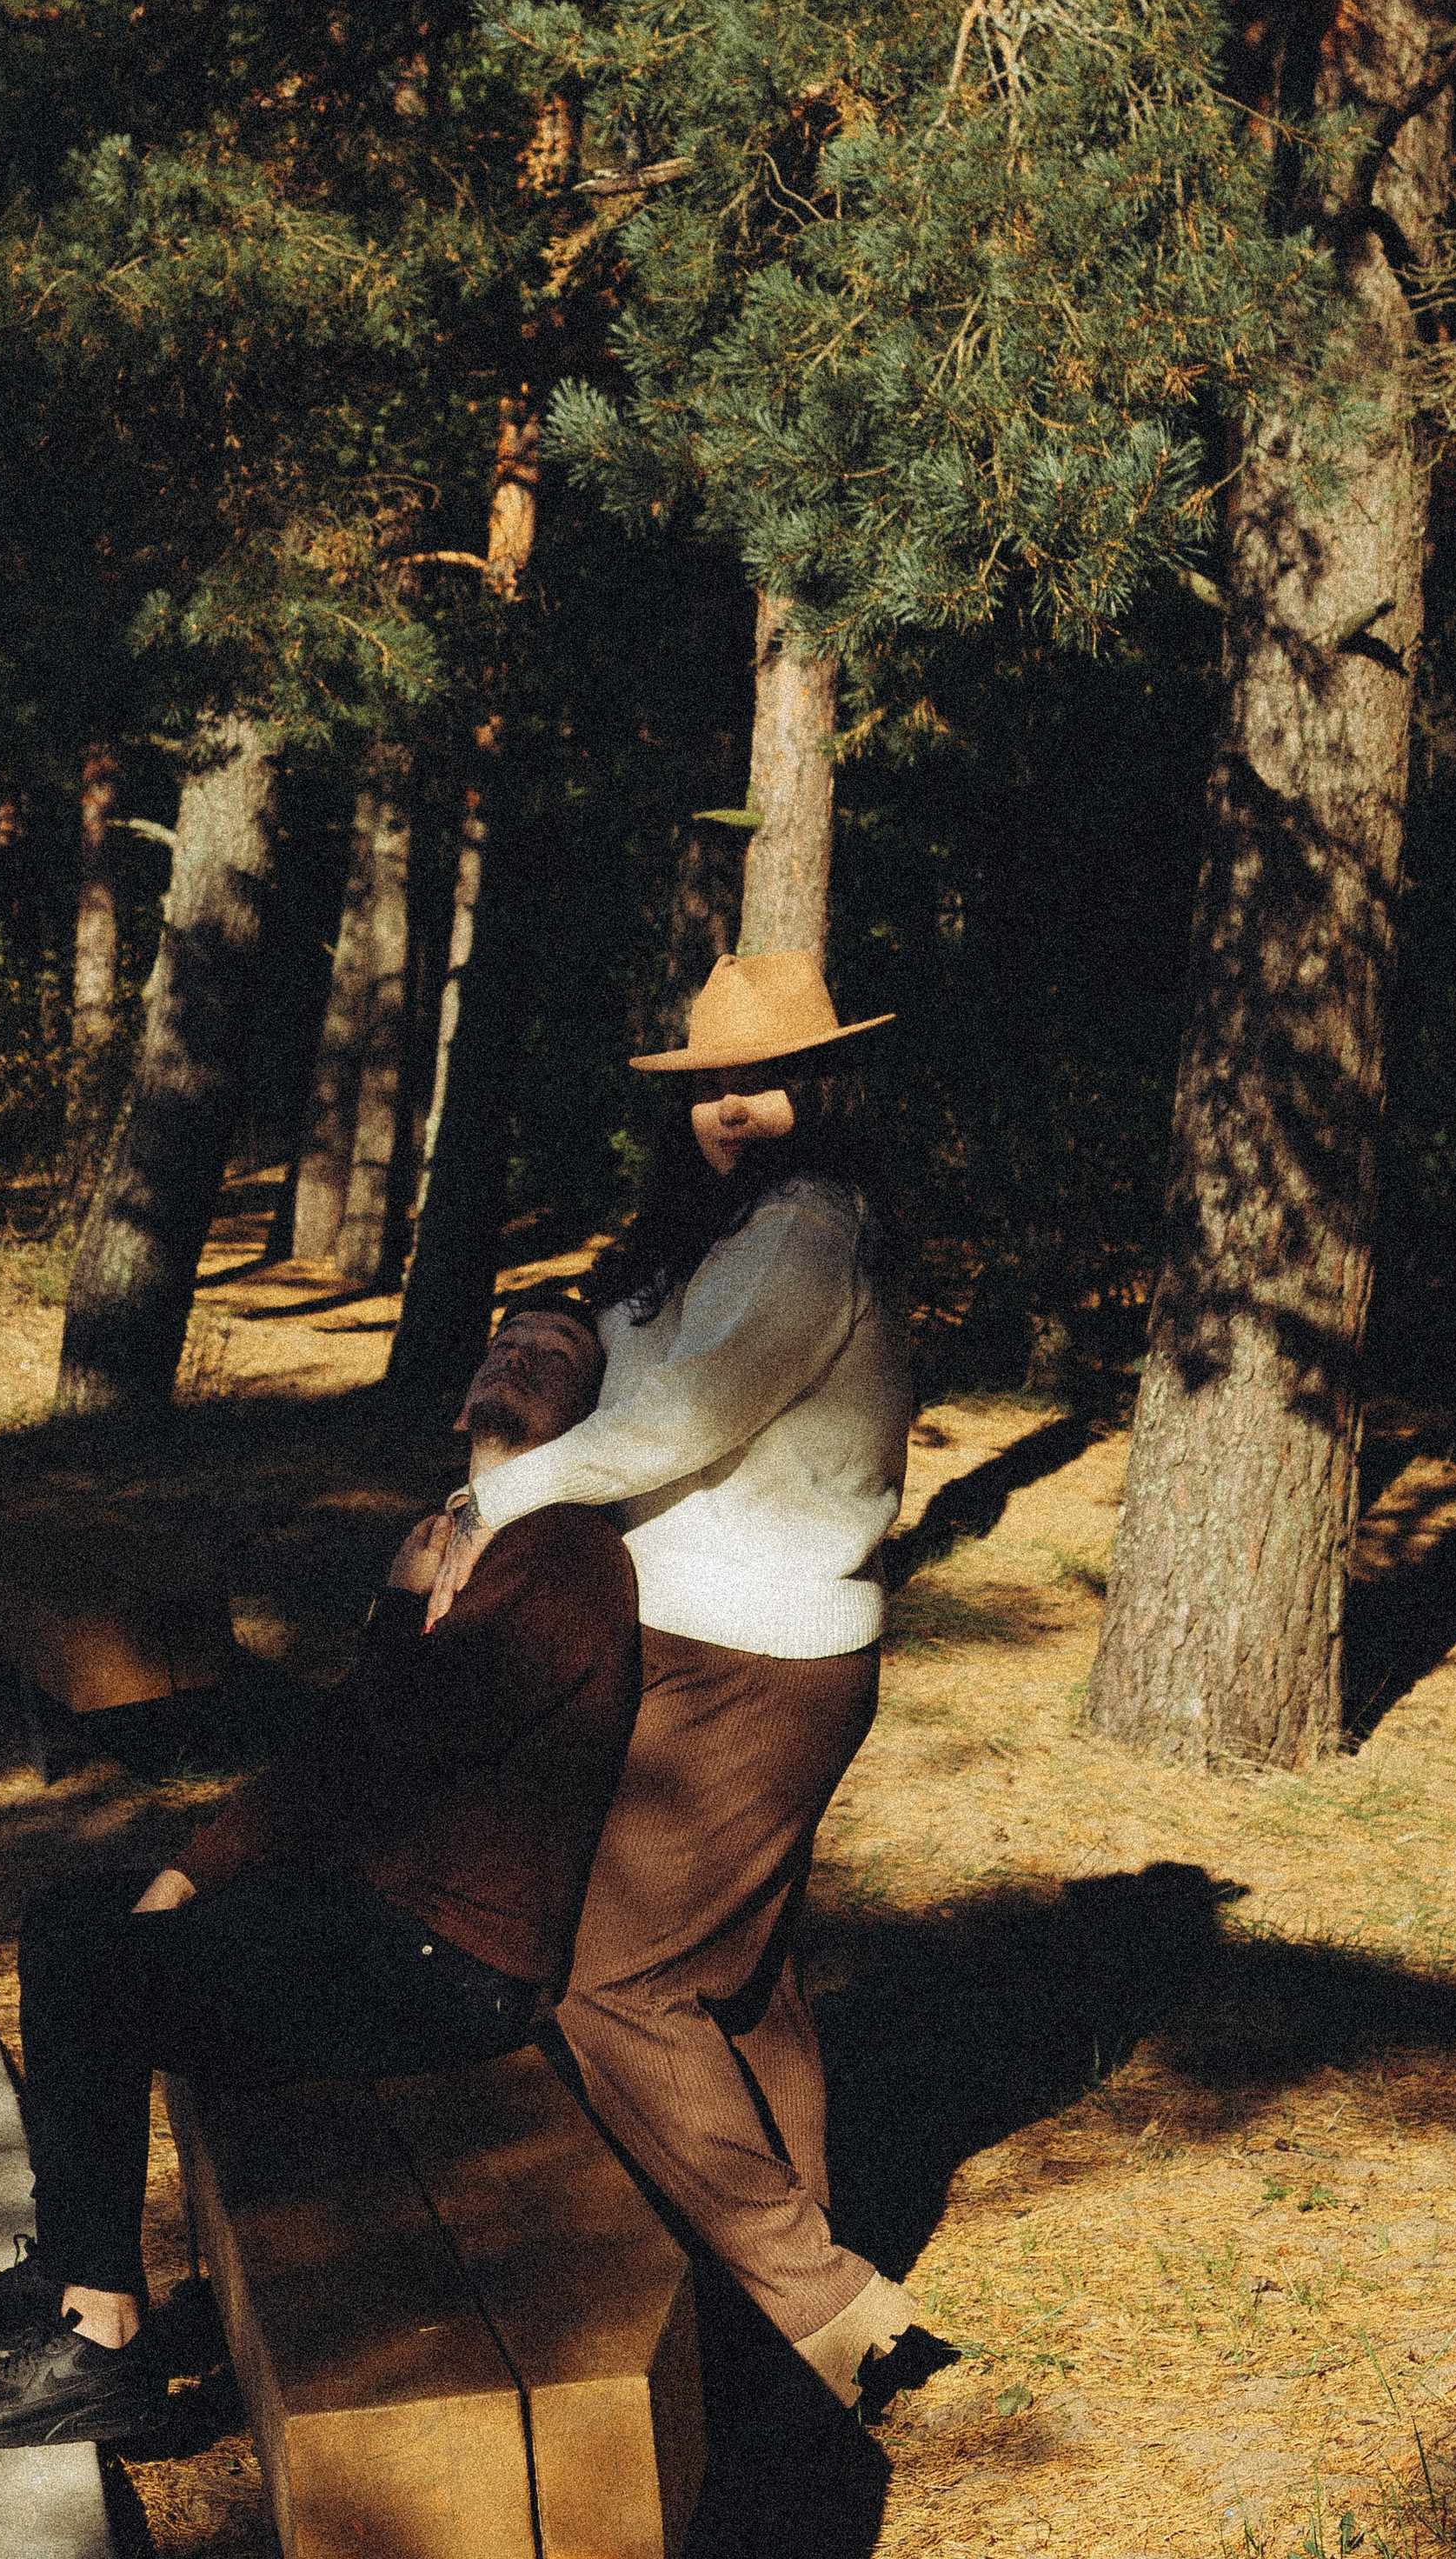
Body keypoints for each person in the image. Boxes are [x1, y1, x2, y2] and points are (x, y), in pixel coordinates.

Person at [0, 1301, 627, 2453]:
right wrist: (196, 1870)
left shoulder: (566, 1555)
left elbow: (396, 1740)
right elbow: (363, 1745)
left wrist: (396, 1610)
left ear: (592, 1417)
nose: (517, 1357)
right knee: (70, 1917)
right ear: (463, 1399)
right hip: (375, 1914)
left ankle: (101, 2339)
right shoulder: (471, 1532)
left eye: (554, 1357)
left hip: (450, 1964)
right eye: (502, 1341)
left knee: (104, 1973)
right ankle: (71, 2266)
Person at [426, 947, 920, 2411]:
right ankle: (778, 2315)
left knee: (613, 1981)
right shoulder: (732, 1232)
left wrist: (487, 1507)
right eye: (712, 1086)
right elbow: (636, 1379)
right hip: (715, 1639)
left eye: (764, 1082)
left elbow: (679, 1424)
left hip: (758, 1653)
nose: (732, 1108)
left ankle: (824, 2301)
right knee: (737, 1983)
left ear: (825, 1089)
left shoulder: (805, 1233)